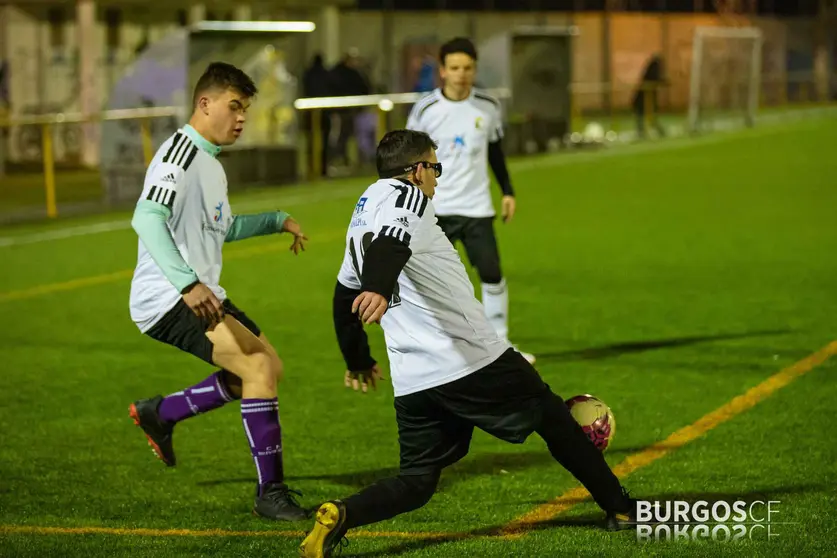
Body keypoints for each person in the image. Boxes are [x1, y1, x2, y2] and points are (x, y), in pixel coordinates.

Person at [299, 129, 641, 557]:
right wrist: (380, 289)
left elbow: (341, 294)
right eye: (435, 168)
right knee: (553, 416)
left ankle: (342, 514)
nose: (437, 179)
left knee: (417, 481)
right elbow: (391, 245)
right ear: (417, 170)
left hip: (414, 380)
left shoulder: (364, 209)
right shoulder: (408, 198)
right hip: (467, 358)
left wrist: (357, 358)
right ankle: (623, 509)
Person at [127, 62, 309, 521]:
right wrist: (187, 283)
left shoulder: (208, 162)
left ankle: (161, 413)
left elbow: (220, 228)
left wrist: (275, 221)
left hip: (201, 292)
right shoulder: (179, 156)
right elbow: (146, 218)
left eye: (245, 108)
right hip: (169, 296)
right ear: (204, 104)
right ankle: (271, 494)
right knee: (255, 368)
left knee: (269, 367)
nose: (242, 117)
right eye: (234, 106)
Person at [406, 37, 534, 364]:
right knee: (433, 281)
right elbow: (408, 159)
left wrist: (507, 190)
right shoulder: (425, 110)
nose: (461, 74)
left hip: (477, 208)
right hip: (435, 211)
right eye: (454, 68)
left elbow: (495, 152)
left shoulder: (488, 107)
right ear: (443, 71)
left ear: (474, 69)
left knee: (491, 274)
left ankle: (499, 345)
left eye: (467, 67)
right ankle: (434, 346)